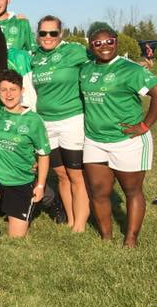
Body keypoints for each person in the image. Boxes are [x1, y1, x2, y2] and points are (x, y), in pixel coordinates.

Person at [80, 22, 157, 248]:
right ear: (91, 46)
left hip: (127, 140)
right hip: (95, 140)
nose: (104, 46)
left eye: (109, 41)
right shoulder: (87, 69)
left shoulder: (131, 69)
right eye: (97, 43)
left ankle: (131, 239)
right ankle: (106, 237)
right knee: (99, 192)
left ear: (116, 41)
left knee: (131, 190)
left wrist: (145, 125)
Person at [0, 70, 50, 239]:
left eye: (13, 89)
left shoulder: (34, 120)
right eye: (3, 90)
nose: (8, 94)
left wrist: (41, 186)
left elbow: (43, 155)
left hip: (20, 181)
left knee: (16, 237)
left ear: (22, 91)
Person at [31, 15, 91, 231]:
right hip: (46, 123)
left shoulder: (73, 51)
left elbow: (101, 56)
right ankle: (71, 218)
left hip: (71, 119)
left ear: (61, 33)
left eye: (52, 33)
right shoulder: (35, 56)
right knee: (61, 174)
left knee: (75, 174)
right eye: (43, 33)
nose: (47, 37)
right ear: (37, 35)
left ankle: (81, 224)